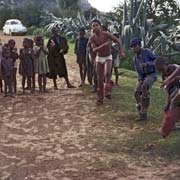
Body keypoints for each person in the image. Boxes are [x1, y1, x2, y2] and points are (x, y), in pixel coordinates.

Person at [90, 19, 125, 105]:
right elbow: (94, 50)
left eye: (96, 25)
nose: (94, 27)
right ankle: (100, 98)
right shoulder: (92, 38)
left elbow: (118, 41)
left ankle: (107, 91)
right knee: (99, 79)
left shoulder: (106, 34)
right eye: (93, 26)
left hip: (108, 57)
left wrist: (121, 51)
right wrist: (104, 45)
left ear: (100, 27)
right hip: (99, 58)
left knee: (107, 74)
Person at [130, 37, 157, 121]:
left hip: (151, 74)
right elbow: (138, 71)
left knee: (144, 86)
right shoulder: (135, 59)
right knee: (136, 93)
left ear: (139, 45)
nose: (133, 48)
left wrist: (147, 64)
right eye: (132, 47)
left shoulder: (147, 52)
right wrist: (140, 78)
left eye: (135, 46)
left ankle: (144, 107)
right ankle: (142, 112)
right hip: (143, 76)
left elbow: (156, 60)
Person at [155, 57, 180, 138]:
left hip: (177, 88)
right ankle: (170, 126)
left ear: (166, 64)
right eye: (160, 70)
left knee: (173, 103)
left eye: (162, 69)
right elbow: (168, 88)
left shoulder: (174, 67)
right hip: (174, 91)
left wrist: (171, 78)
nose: (162, 72)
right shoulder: (164, 75)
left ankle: (165, 130)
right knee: (169, 106)